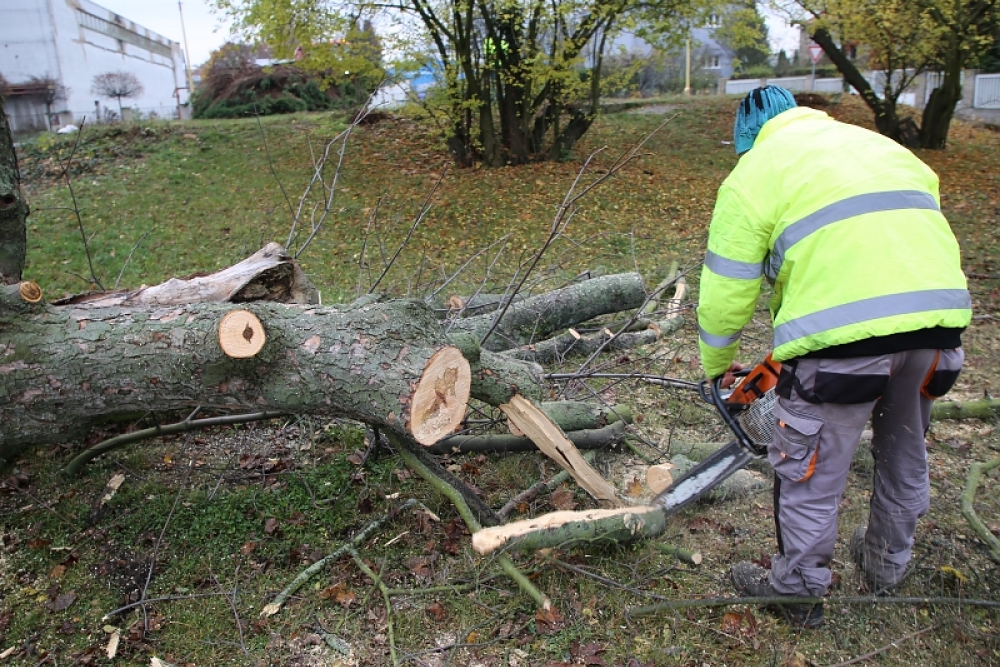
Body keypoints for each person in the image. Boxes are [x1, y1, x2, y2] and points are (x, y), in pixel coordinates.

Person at [697, 86, 972, 628]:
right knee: (902, 447)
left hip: (842, 350)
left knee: (809, 471)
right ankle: (886, 565)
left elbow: (725, 292)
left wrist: (717, 366)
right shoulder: (882, 147)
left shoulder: (755, 173)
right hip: (936, 330)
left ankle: (796, 593)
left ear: (747, 140)